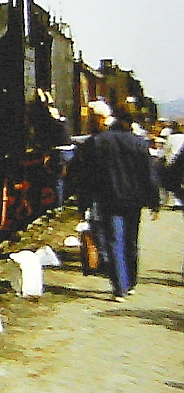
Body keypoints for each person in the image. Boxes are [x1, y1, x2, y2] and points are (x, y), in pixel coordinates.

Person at [74, 105, 161, 302]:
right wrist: (154, 203)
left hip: (108, 198)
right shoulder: (139, 143)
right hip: (134, 200)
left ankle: (119, 287)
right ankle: (131, 283)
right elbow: (150, 176)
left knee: (114, 241)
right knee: (131, 241)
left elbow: (87, 178)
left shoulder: (96, 142)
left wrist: (84, 205)